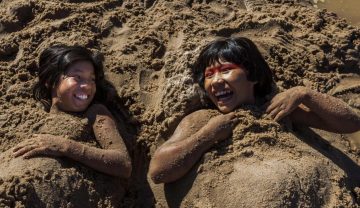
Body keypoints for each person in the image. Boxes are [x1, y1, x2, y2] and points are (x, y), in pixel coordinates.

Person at [149, 37, 360, 184]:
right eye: (209, 75)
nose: (216, 81)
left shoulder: (275, 109)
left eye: (226, 70)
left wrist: (305, 94)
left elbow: (351, 123)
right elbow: (159, 171)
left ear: (254, 75)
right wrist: (208, 134)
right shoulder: (203, 119)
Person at [12, 45, 132, 177]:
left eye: (92, 79)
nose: (87, 86)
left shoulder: (95, 113)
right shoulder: (28, 116)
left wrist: (65, 146)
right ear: (50, 81)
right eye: (78, 77)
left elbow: (123, 163)